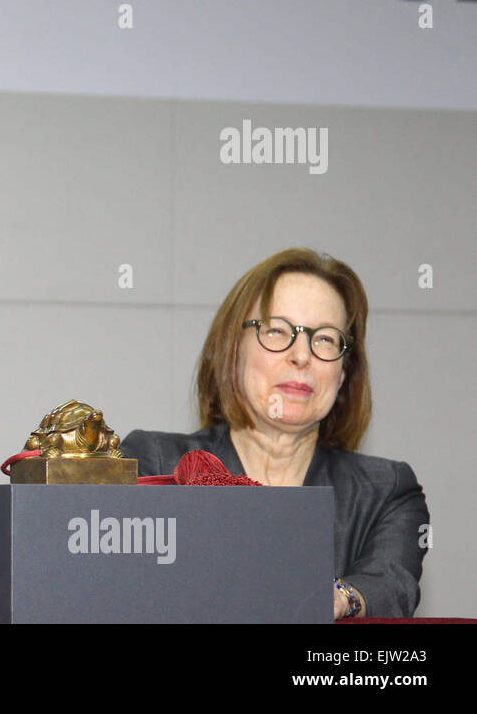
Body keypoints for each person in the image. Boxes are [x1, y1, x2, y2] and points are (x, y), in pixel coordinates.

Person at [122, 248, 429, 618]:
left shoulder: (386, 489)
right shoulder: (155, 460)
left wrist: (338, 598)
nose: (302, 356)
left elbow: (392, 584)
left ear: (344, 373)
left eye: (325, 339)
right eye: (277, 330)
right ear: (232, 352)